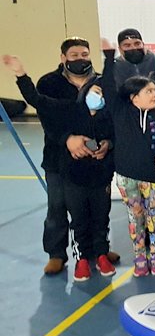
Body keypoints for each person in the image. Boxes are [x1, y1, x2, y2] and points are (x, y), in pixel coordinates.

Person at [6, 37, 119, 274]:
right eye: (74, 55)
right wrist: (68, 139)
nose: (80, 59)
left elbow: (113, 119)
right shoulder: (50, 83)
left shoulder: (100, 82)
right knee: (57, 207)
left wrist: (108, 143)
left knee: (98, 209)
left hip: (96, 164)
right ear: (63, 58)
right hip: (59, 160)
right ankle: (56, 253)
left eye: (84, 54)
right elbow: (44, 112)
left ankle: (99, 249)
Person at [100, 39, 155, 277]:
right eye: (148, 92)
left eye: (154, 91)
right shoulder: (120, 111)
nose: (154, 95)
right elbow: (108, 86)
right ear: (133, 97)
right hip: (127, 177)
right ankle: (140, 256)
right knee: (135, 217)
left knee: (154, 215)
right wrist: (108, 58)